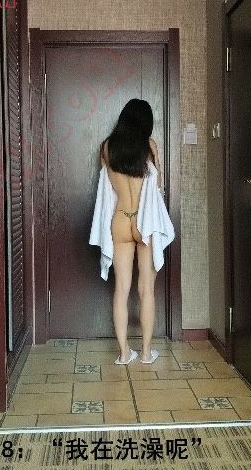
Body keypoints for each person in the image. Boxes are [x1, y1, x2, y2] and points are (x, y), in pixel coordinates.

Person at [98, 98, 165, 365]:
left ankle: (125, 353)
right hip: (143, 222)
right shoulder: (149, 147)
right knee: (146, 289)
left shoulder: (106, 147)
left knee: (121, 289)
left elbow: (106, 186)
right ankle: (146, 353)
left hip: (120, 220)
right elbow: (157, 187)